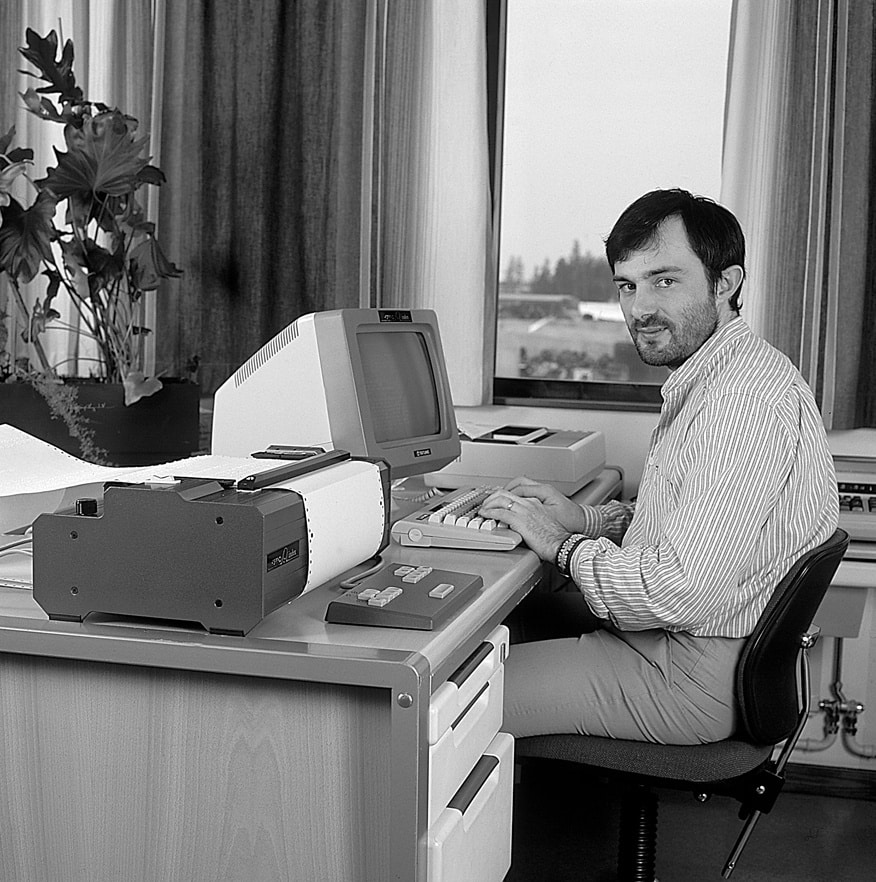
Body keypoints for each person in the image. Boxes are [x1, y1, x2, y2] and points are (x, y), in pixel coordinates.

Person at [479, 188, 838, 745]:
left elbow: (678, 590)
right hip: (676, 643)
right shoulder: (718, 374)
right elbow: (682, 524)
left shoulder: (740, 401)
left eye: (664, 281)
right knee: (505, 627)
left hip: (686, 675)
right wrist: (584, 520)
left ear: (726, 283)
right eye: (627, 285)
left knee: (442, 709)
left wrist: (560, 545)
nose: (640, 308)